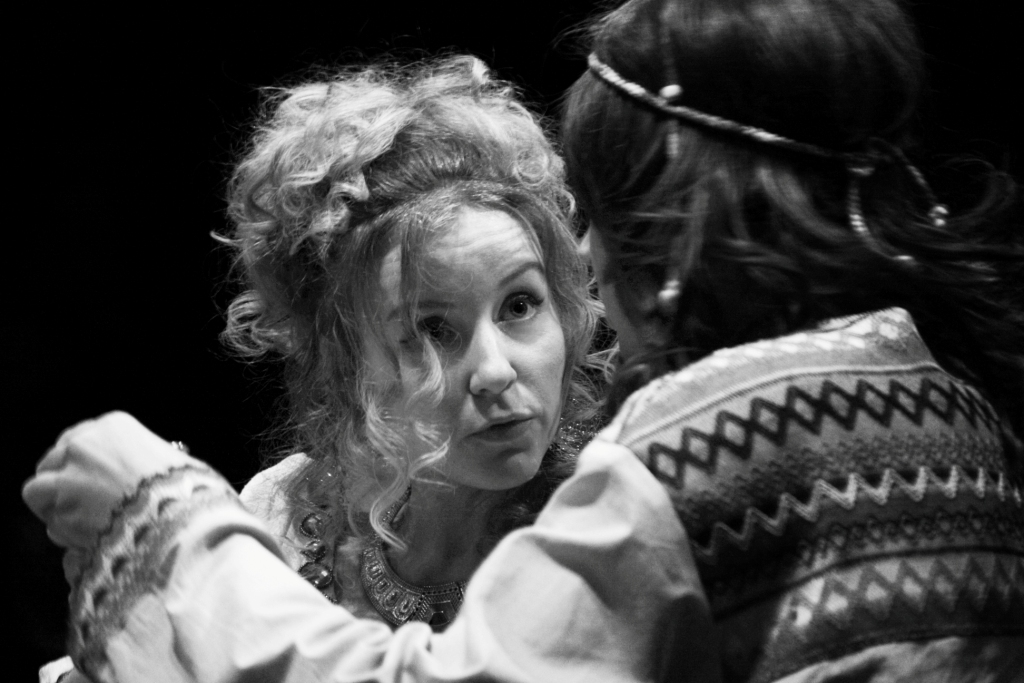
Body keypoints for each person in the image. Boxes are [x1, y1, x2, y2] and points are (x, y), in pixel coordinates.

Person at [25, 55, 715, 683]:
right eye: (432, 330)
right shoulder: (287, 510)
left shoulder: (607, 519)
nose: (495, 370)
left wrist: (163, 526)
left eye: (519, 305)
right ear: (344, 359)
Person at [563, 0, 1024, 679]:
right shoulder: (966, 406)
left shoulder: (689, 438)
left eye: (592, 215)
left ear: (661, 230)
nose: (582, 252)